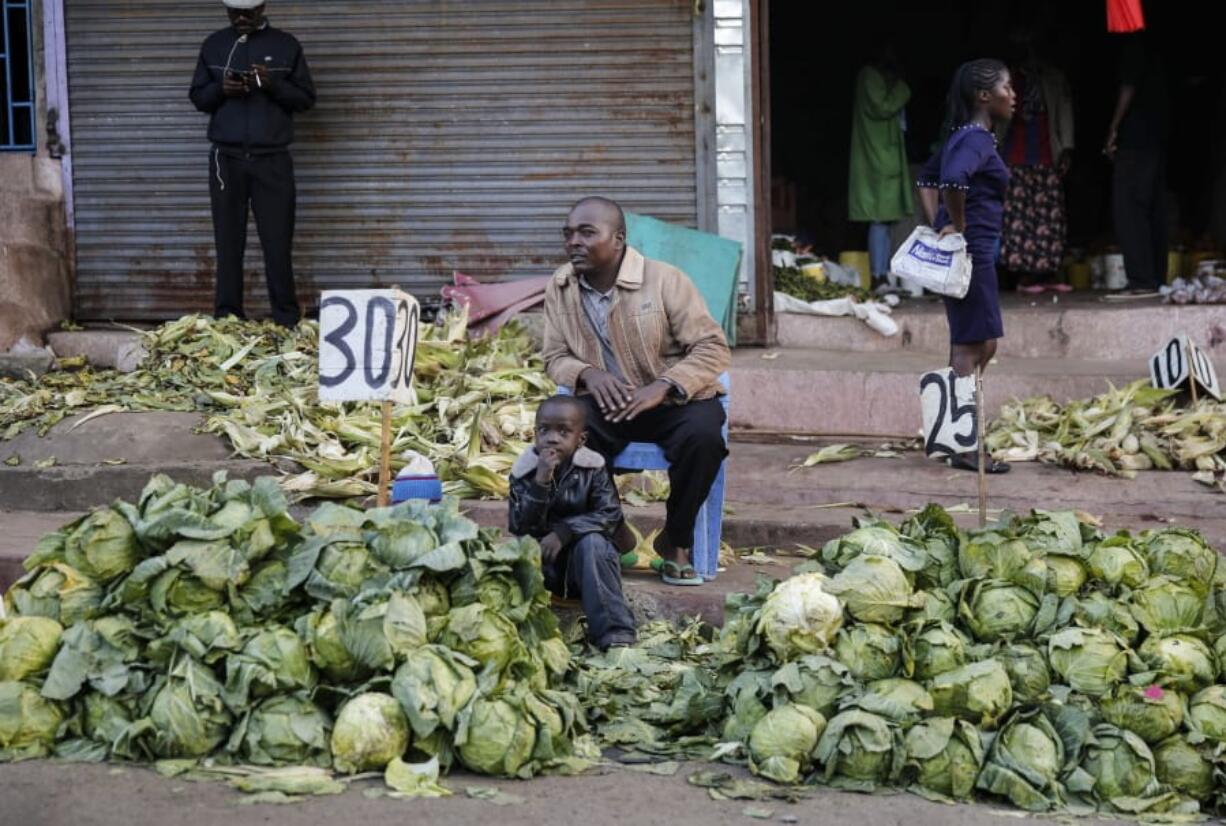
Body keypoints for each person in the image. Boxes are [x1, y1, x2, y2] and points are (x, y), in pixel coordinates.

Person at [542, 197, 731, 586]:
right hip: (607, 405)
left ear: (619, 240)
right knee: (564, 435)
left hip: (675, 401)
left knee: (705, 436)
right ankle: (616, 531)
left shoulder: (665, 280)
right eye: (569, 233)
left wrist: (664, 386)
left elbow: (713, 347)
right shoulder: (560, 286)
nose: (573, 241)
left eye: (587, 232)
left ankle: (675, 541)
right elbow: (554, 356)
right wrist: (588, 374)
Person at [189, 1, 316, 327]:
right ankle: (227, 318)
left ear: (262, 8)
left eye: (249, 13)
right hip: (225, 159)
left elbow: (305, 99)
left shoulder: (285, 45)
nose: (242, 19)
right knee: (228, 242)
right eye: (235, 13)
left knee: (277, 242)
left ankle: (286, 319)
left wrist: (272, 84)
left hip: (272, 158)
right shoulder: (215, 44)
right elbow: (198, 97)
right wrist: (221, 89)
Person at [917, 59, 1016, 474]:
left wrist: (939, 224)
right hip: (971, 250)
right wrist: (955, 228)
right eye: (1007, 88)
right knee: (972, 344)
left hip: (969, 248)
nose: (1014, 95)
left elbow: (927, 179)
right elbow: (953, 182)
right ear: (983, 97)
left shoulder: (960, 137)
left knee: (980, 340)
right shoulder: (976, 140)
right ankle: (964, 444)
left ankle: (958, 430)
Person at [508, 395, 636, 651]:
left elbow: (609, 513)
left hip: (588, 566)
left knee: (594, 542)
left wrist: (565, 531)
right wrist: (540, 483)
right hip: (547, 568)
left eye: (564, 431)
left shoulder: (593, 468)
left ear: (581, 439)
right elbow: (520, 526)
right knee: (517, 552)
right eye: (545, 430)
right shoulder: (524, 472)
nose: (552, 438)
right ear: (535, 434)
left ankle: (615, 634)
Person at [998, 29, 1075, 292]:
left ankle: (1048, 274)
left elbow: (1063, 112)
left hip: (1045, 155)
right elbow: (996, 119)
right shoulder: (1006, 80)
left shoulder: (1052, 78)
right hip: (1015, 157)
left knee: (1050, 217)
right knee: (1019, 216)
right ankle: (1025, 277)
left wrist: (1066, 149)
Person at [1104, 31, 1170, 294]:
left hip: (1136, 137)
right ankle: (1156, 277)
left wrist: (1114, 127)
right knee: (1153, 208)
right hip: (1157, 135)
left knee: (1129, 209)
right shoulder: (1158, 44)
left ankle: (1142, 280)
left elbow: (1128, 85)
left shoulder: (1134, 44)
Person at [848, 47, 913, 285]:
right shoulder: (869, 76)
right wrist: (902, 88)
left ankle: (884, 272)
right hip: (876, 157)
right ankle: (878, 275)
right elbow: (882, 107)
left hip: (885, 156)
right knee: (878, 218)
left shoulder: (878, 78)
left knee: (886, 220)